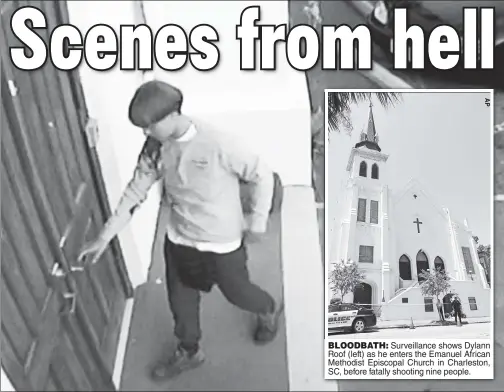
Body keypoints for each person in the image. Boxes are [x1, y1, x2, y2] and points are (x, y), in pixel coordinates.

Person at [78, 80, 282, 381]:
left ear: (172, 115)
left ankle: (267, 308)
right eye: (142, 128)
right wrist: (104, 237)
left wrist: (258, 220)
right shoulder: (155, 147)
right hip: (179, 241)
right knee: (181, 305)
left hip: (222, 244)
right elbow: (136, 192)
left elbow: (262, 174)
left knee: (239, 294)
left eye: (149, 126)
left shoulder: (217, 143)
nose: (145, 133)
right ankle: (189, 351)